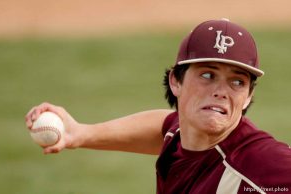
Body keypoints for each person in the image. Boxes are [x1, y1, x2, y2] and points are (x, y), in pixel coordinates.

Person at [25, 19, 291, 193]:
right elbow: (165, 127)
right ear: (176, 82)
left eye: (237, 82)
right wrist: (80, 134)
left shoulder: (259, 162)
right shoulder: (181, 135)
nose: (221, 91)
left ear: (247, 97)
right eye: (208, 75)